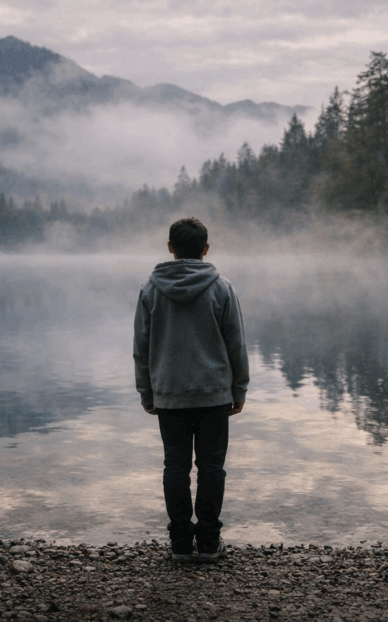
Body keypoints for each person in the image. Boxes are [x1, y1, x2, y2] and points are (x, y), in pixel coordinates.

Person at [133, 217, 249, 563]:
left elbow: (141, 347)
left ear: (170, 248)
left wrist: (146, 392)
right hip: (214, 394)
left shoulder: (150, 290)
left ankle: (181, 543)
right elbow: (236, 344)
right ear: (206, 250)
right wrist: (239, 389)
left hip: (169, 393)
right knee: (212, 467)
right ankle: (210, 543)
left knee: (176, 467)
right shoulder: (222, 288)